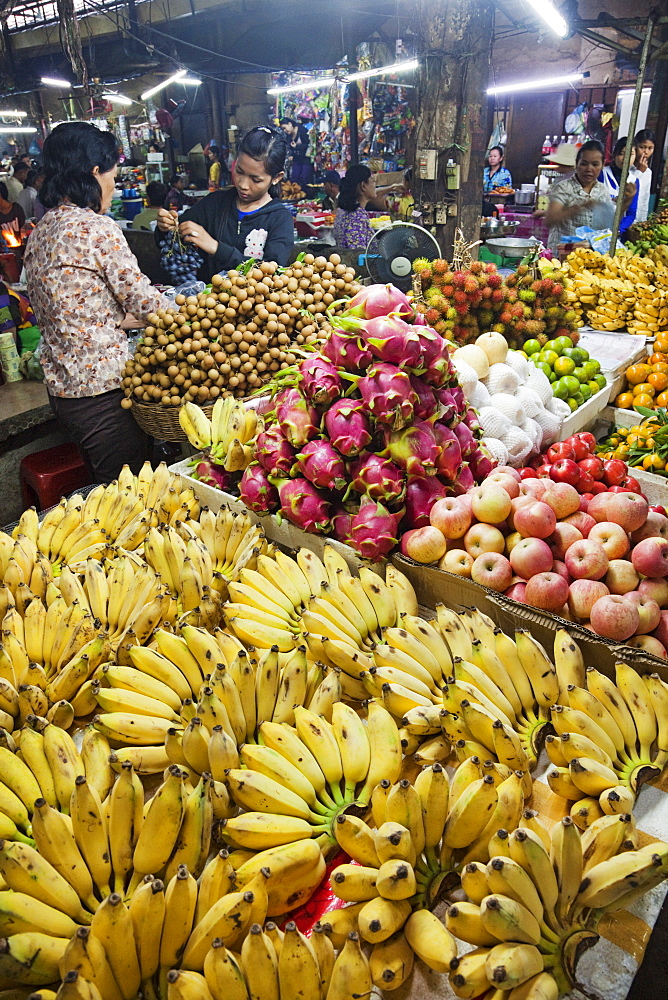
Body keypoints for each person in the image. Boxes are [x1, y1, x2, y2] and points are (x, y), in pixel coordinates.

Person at [23, 122, 168, 483]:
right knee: (131, 494)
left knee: (105, 486)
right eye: (113, 179)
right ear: (94, 173)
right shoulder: (95, 227)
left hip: (64, 394)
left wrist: (117, 320)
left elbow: (75, 309)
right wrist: (197, 315)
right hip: (103, 395)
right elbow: (146, 302)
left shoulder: (41, 231)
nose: (114, 188)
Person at [156, 125, 294, 281]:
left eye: (255, 179)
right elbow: (170, 242)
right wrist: (165, 227)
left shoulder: (280, 220)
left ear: (276, 177)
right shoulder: (213, 203)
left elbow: (271, 276)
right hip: (206, 303)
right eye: (239, 171)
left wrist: (216, 248)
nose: (243, 184)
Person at [545, 139, 626, 250]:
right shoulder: (563, 188)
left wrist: (628, 199)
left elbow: (610, 223)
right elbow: (550, 219)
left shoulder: (602, 190)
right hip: (562, 254)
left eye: (595, 164)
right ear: (576, 163)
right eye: (584, 164)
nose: (589, 169)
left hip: (588, 257)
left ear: (602, 166)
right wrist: (579, 207)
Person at [600, 137, 639, 235]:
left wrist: (619, 229)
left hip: (618, 232)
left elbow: (631, 213)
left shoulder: (634, 181)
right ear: (614, 155)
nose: (625, 158)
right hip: (598, 228)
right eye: (621, 154)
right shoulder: (602, 174)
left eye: (631, 154)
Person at [332, 164, 376, 250]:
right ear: (363, 186)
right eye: (373, 181)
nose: (375, 185)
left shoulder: (343, 211)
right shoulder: (357, 216)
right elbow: (357, 253)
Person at [279, 117, 313, 187]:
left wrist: (297, 147)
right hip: (297, 159)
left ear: (290, 124)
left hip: (306, 159)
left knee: (305, 178)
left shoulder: (302, 131)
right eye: (283, 129)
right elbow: (289, 147)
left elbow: (310, 145)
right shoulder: (288, 136)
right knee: (294, 179)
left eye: (285, 128)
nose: (285, 130)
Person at [631, 128, 654, 223]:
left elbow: (645, 198)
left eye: (650, 148)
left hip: (639, 219)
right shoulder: (627, 168)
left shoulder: (648, 172)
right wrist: (639, 172)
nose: (646, 152)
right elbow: (628, 189)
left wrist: (643, 221)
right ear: (635, 147)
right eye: (642, 147)